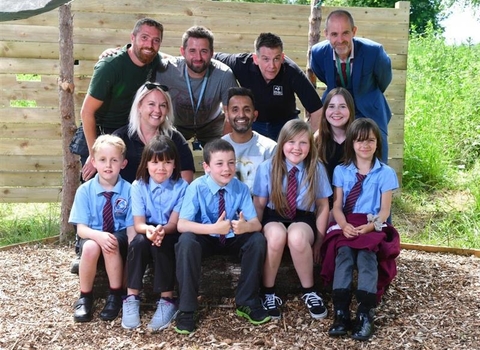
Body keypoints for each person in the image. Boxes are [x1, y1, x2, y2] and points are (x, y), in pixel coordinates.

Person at [174, 139, 270, 334]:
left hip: (232, 235)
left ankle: (248, 301)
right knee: (186, 242)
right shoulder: (196, 187)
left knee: (257, 240)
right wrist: (213, 227)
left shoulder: (240, 188)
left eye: (231, 162)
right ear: (207, 167)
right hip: (207, 236)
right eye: (219, 164)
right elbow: (182, 224)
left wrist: (244, 226)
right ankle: (186, 308)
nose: (227, 169)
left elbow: (256, 224)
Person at [320, 118, 400, 341]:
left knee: (367, 257)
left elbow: (384, 211)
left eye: (370, 141)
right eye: (359, 141)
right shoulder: (341, 171)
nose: (365, 146)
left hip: (372, 222)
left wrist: (369, 228)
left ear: (378, 143)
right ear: (351, 143)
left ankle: (365, 313)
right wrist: (344, 225)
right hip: (346, 222)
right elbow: (336, 205)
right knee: (343, 255)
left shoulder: (385, 173)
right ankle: (341, 312)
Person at [252, 119, 332, 320]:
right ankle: (268, 292)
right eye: (291, 142)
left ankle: (310, 291)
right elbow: (260, 205)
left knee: (296, 237)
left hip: (304, 218)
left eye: (303, 143)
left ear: (310, 146)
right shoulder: (267, 168)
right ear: (282, 144)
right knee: (277, 236)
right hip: (273, 216)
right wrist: (254, 235)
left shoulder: (316, 168)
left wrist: (320, 240)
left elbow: (323, 205)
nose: (297, 148)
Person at [80, 18, 164, 182]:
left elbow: (170, 58)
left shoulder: (154, 59)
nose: (149, 45)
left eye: (156, 40)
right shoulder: (109, 67)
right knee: (98, 186)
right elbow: (86, 111)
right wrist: (94, 154)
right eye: (144, 38)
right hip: (99, 133)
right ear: (132, 38)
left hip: (129, 134)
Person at [121, 135, 188, 331]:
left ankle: (167, 300)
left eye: (167, 162)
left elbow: (175, 223)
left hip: (170, 230)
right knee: (138, 243)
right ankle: (132, 297)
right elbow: (139, 223)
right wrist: (150, 230)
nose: (161, 168)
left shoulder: (182, 187)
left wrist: (161, 231)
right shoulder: (138, 186)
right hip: (146, 229)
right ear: (146, 163)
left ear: (175, 164)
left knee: (163, 244)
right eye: (156, 162)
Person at [310, 10, 392, 163]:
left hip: (368, 110)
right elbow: (322, 75)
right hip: (336, 110)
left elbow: (384, 80)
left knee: (377, 163)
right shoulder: (318, 53)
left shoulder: (374, 51)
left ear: (354, 31)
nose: (340, 40)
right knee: (330, 159)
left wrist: (366, 95)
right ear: (326, 34)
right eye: (334, 34)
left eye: (345, 33)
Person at [69, 135, 135, 323]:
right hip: (92, 233)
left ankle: (114, 295)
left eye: (114, 160)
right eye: (103, 160)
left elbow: (131, 228)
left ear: (123, 163)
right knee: (90, 247)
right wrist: (98, 236)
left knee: (111, 242)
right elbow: (81, 229)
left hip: (119, 236)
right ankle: (85, 297)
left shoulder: (130, 190)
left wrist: (133, 255)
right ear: (94, 162)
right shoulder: (85, 190)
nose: (108, 165)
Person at [215, 32, 323, 140]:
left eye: (276, 59)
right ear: (255, 59)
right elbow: (211, 58)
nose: (272, 66)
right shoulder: (240, 64)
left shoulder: (292, 72)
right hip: (253, 123)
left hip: (285, 124)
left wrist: (308, 140)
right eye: (266, 59)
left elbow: (317, 111)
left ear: (282, 57)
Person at [156, 26, 238, 146]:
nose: (198, 58)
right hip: (176, 125)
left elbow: (231, 114)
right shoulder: (167, 70)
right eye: (192, 51)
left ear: (212, 53)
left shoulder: (224, 74)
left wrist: (223, 147)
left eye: (204, 51)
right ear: (183, 51)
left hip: (212, 125)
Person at [113, 82, 195, 184]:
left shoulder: (175, 138)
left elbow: (186, 177)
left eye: (162, 105)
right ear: (139, 106)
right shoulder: (120, 138)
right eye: (151, 104)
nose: (157, 110)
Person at [221, 87, 277, 192]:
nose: (241, 115)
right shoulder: (217, 148)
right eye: (235, 110)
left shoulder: (270, 149)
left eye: (247, 110)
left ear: (255, 115)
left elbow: (274, 188)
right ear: (227, 115)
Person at [315, 87, 355, 183]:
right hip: (323, 196)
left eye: (342, 106)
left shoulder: (358, 139)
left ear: (350, 110)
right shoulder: (316, 140)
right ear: (325, 110)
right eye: (331, 106)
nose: (336, 111)